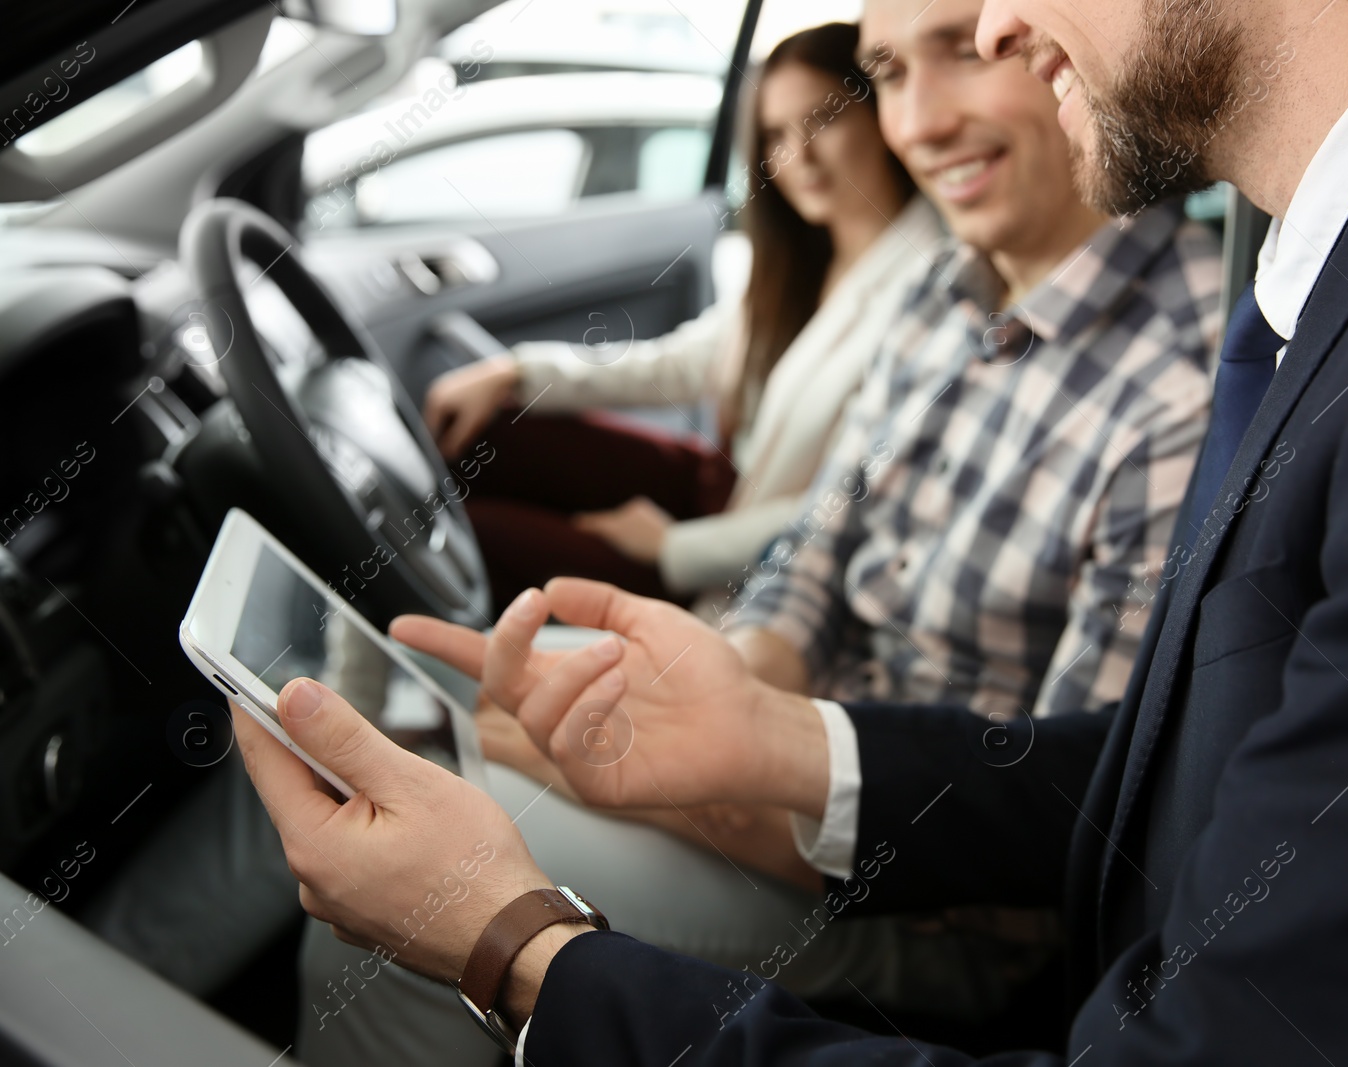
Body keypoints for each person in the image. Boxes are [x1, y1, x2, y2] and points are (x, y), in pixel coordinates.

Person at [240, 0, 1348, 1061]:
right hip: (894, 835)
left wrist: (519, 945)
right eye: (893, 65)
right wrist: (777, 738)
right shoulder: (1342, 266)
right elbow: (1185, 775)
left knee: (372, 873)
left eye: (968, 37)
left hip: (968, 940)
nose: (990, 42)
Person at [288, 0, 1219, 1057]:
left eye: (962, 50)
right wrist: (719, 685)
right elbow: (821, 543)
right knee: (372, 735)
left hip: (904, 898)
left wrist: (711, 776)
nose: (918, 121)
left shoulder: (1176, 391)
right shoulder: (941, 292)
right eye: (890, 73)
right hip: (780, 755)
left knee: (405, 891)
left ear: (1054, 42)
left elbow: (1060, 826)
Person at [420, 23, 941, 614]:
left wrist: (674, 545)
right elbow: (682, 363)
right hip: (720, 487)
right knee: (481, 437)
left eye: (823, 120)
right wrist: (513, 374)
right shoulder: (802, 262)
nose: (799, 156)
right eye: (776, 134)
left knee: (468, 538)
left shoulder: (927, 284)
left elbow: (850, 502)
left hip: (742, 556)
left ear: (882, 115)